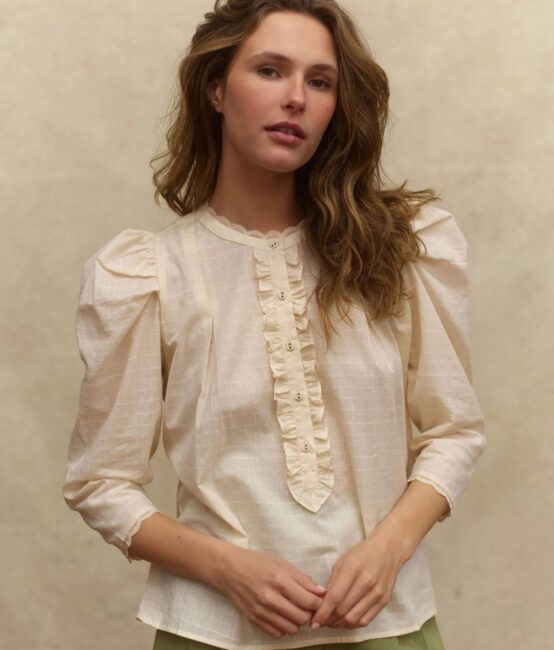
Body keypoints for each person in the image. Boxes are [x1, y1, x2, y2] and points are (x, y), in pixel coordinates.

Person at [62, 1, 486, 649]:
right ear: (215, 90)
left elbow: (456, 430)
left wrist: (389, 551)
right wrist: (226, 568)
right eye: (269, 70)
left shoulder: (398, 250)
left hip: (386, 628)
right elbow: (101, 482)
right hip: (213, 633)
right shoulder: (149, 276)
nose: (295, 98)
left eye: (320, 81)